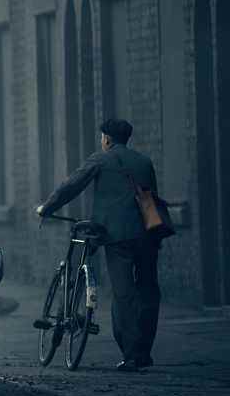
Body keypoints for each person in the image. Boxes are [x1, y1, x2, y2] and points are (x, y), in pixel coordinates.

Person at [36, 118, 160, 372]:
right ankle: (144, 351)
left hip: (117, 237)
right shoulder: (144, 162)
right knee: (148, 290)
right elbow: (150, 198)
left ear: (107, 139)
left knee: (124, 293)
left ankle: (131, 355)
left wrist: (46, 208)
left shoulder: (100, 159)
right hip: (147, 235)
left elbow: (71, 186)